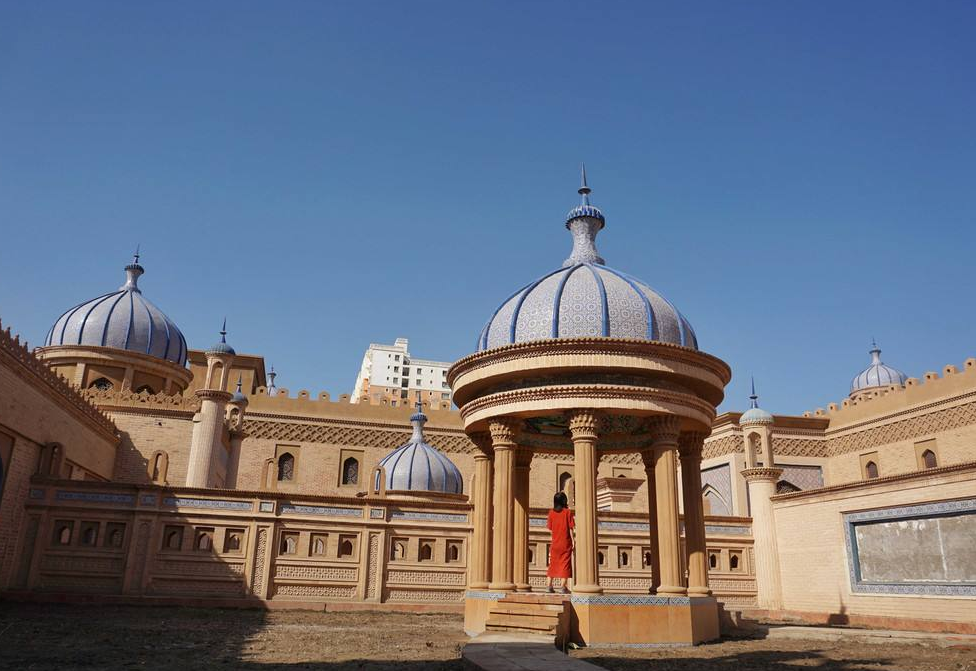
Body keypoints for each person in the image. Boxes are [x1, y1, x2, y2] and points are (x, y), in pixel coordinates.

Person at [546, 491, 574, 593]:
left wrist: (553, 540)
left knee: (553, 564)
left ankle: (549, 586)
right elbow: (571, 528)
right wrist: (573, 541)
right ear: (564, 501)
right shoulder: (568, 512)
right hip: (565, 543)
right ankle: (563, 587)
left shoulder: (551, 513)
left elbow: (550, 529)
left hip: (555, 543)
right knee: (565, 564)